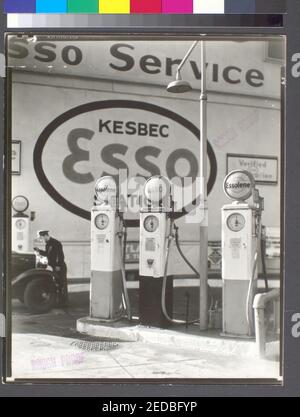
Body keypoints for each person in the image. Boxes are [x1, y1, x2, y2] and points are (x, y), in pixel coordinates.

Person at [34, 230, 68, 307]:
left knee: (61, 284)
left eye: (42, 238)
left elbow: (60, 256)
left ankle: (64, 303)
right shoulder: (48, 244)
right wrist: (39, 251)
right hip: (54, 266)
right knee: (57, 283)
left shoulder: (56, 243)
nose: (42, 240)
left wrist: (58, 265)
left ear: (46, 235)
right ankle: (59, 302)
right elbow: (47, 254)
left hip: (59, 266)